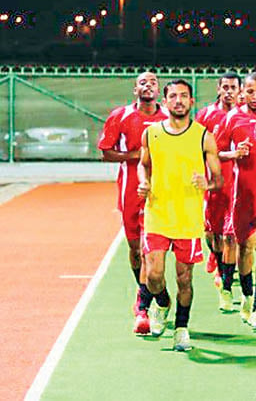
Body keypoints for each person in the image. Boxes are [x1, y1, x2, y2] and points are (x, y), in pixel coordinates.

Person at [138, 79, 222, 351]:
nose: (178, 100)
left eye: (183, 96)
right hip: (157, 213)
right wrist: (144, 182)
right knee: (153, 275)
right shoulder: (151, 133)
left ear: (191, 102)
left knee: (184, 278)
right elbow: (143, 164)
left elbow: (219, 179)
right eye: (173, 96)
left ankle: (181, 327)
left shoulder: (203, 136)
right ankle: (162, 304)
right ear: (165, 102)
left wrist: (206, 183)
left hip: (188, 217)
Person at [97, 72, 170, 335]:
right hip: (130, 191)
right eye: (143, 82)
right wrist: (133, 155)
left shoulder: (169, 118)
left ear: (159, 90)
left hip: (161, 194)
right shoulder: (121, 116)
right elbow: (105, 152)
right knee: (136, 249)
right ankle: (152, 293)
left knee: (149, 250)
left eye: (153, 82)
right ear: (134, 89)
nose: (148, 85)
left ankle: (143, 306)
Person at [215, 73, 256, 331]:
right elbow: (214, 151)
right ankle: (247, 296)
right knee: (245, 248)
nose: (254, 96)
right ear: (243, 93)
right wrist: (233, 153)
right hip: (243, 195)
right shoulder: (233, 118)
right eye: (249, 91)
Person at [195, 73, 241, 310]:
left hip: (238, 184)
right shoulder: (206, 115)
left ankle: (226, 282)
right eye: (225, 87)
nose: (229, 91)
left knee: (230, 235)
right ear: (219, 88)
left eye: (233, 87)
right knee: (212, 234)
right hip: (213, 183)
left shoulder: (246, 116)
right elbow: (196, 145)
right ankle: (215, 254)